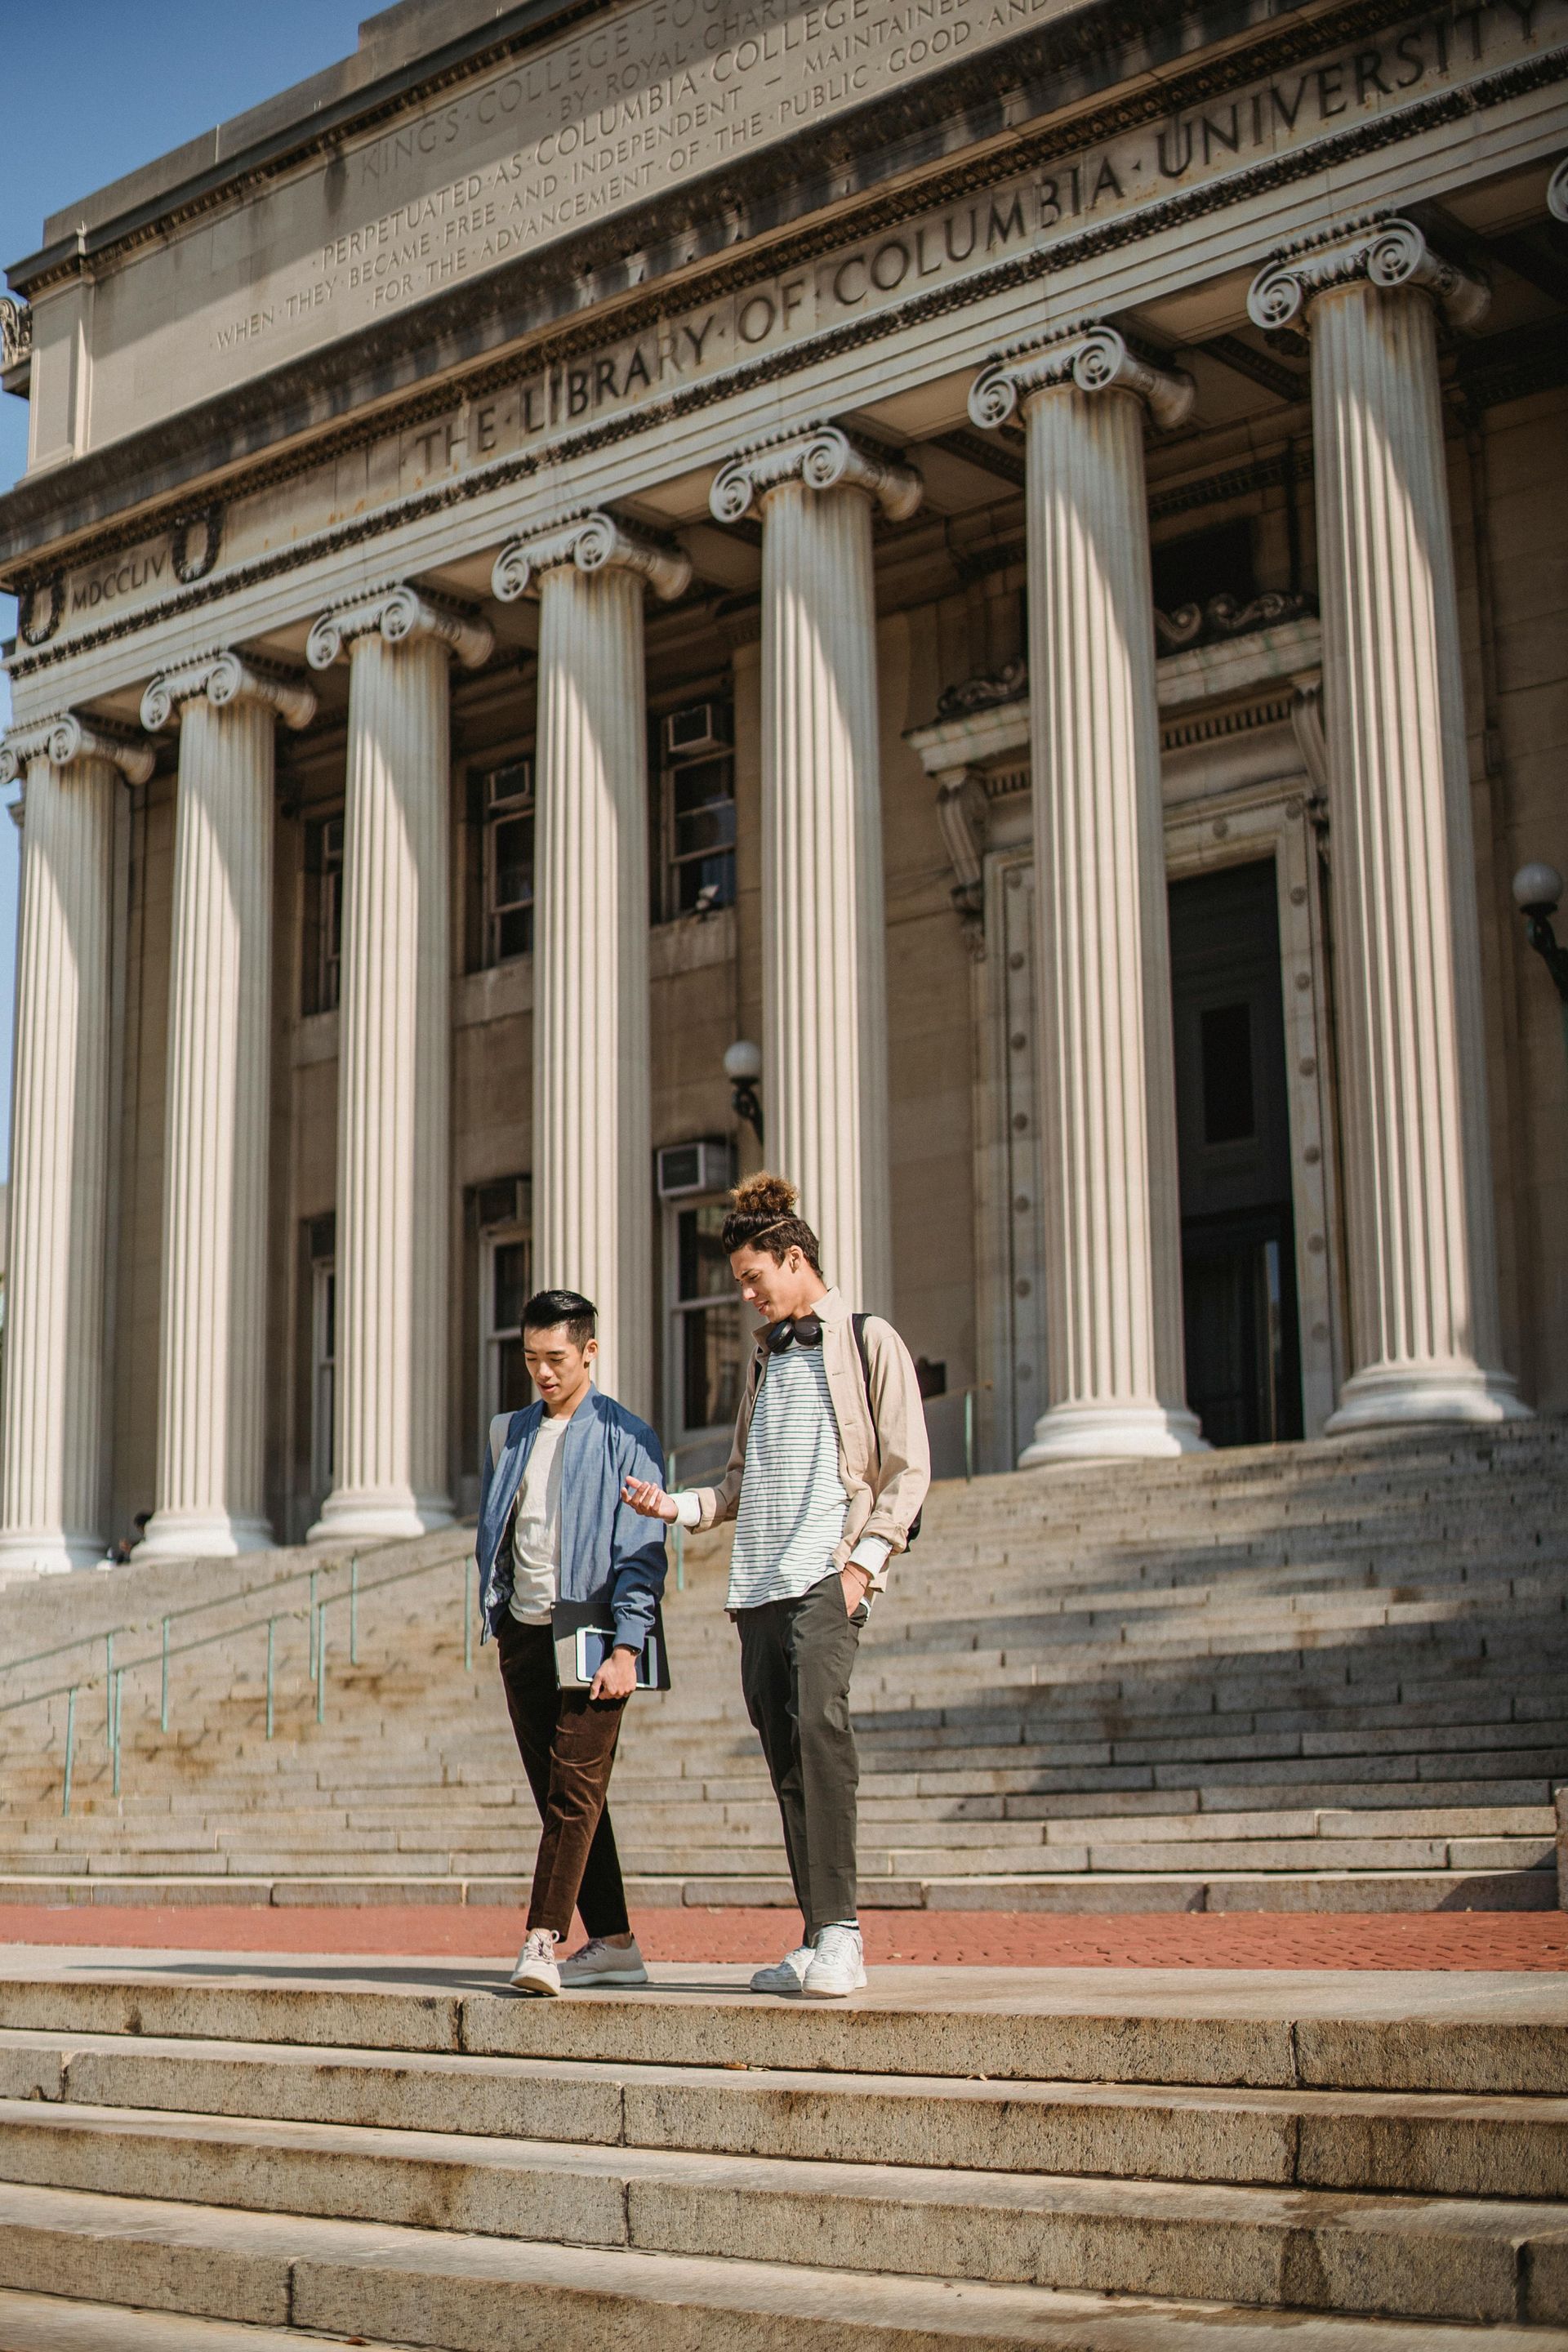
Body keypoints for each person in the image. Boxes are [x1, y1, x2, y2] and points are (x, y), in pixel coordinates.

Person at [624, 1174, 929, 1998]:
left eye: (755, 1278)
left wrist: (863, 1567)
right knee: (786, 1758)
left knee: (823, 1738)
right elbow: (737, 1487)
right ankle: (817, 1930)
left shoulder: (867, 1340)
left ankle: (844, 1936)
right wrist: (674, 1505)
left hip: (823, 1577)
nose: (748, 1296)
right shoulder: (764, 1362)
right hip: (756, 1585)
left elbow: (907, 1471)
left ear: (795, 1259)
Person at [475, 1289, 668, 1998]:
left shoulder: (631, 1437)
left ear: (590, 1351)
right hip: (524, 1634)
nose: (543, 1373)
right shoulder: (510, 1432)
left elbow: (643, 1553)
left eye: (555, 1358)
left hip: (594, 1630)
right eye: (530, 1359)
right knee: (564, 1795)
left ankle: (542, 1940)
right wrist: (498, 1616)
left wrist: (629, 1646)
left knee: (573, 1793)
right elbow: (502, 1530)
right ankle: (615, 1942)